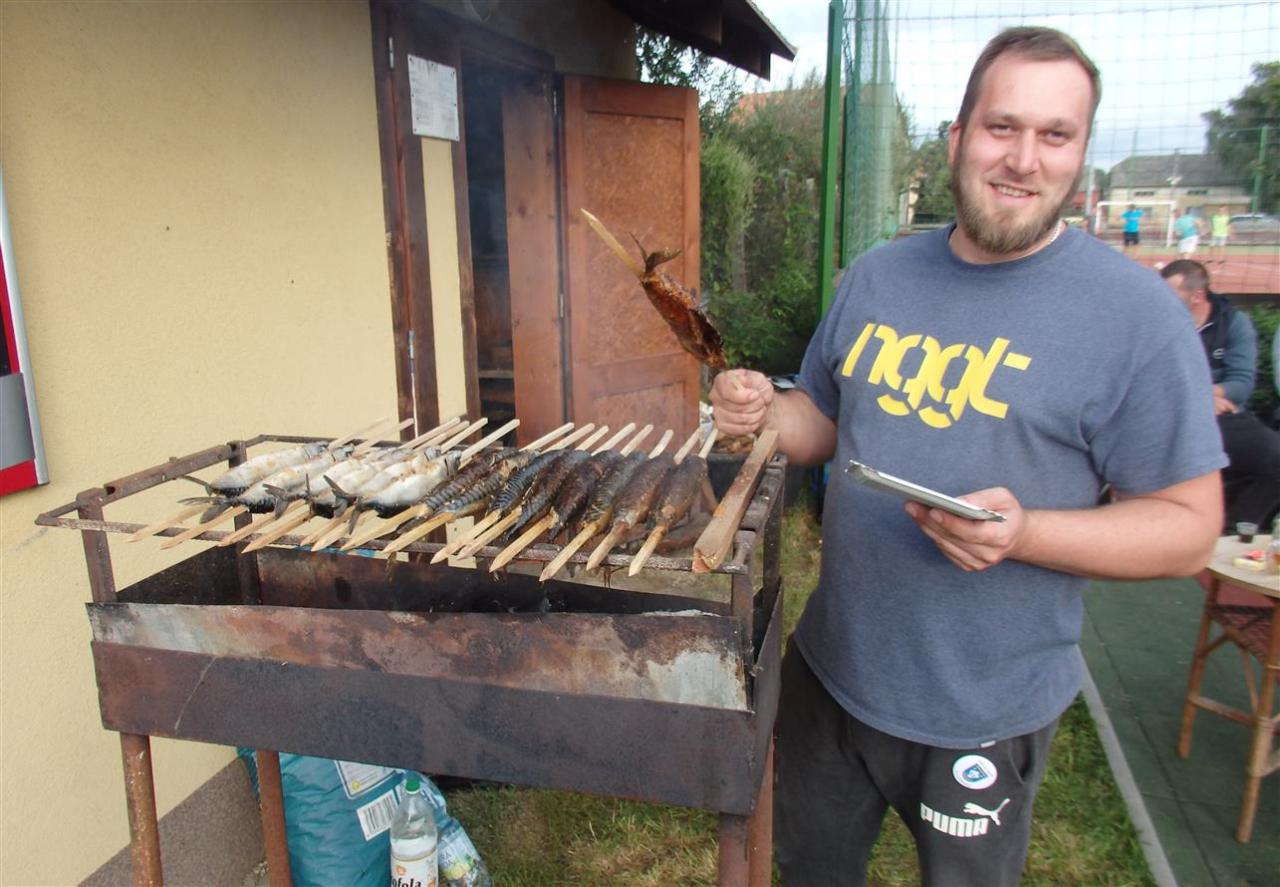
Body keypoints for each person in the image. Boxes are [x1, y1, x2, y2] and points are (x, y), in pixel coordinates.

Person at [710, 27, 1225, 887]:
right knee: (807, 870)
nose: (1023, 158)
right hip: (832, 672)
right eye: (1002, 126)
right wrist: (763, 412)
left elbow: (1189, 528)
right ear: (957, 139)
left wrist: (1025, 534)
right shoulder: (877, 276)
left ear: (1080, 157)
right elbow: (822, 421)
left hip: (986, 709)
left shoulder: (1137, 319)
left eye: (1055, 135)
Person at [1160, 259, 1280, 528]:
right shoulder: (1157, 323)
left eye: (1170, 293)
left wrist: (1202, 397)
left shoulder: (1233, 323)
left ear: (1197, 296)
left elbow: (1241, 384)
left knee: (1275, 458)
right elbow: (1151, 381)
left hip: (1222, 415)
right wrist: (1199, 398)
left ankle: (1233, 528)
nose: (1162, 299)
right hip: (1169, 413)